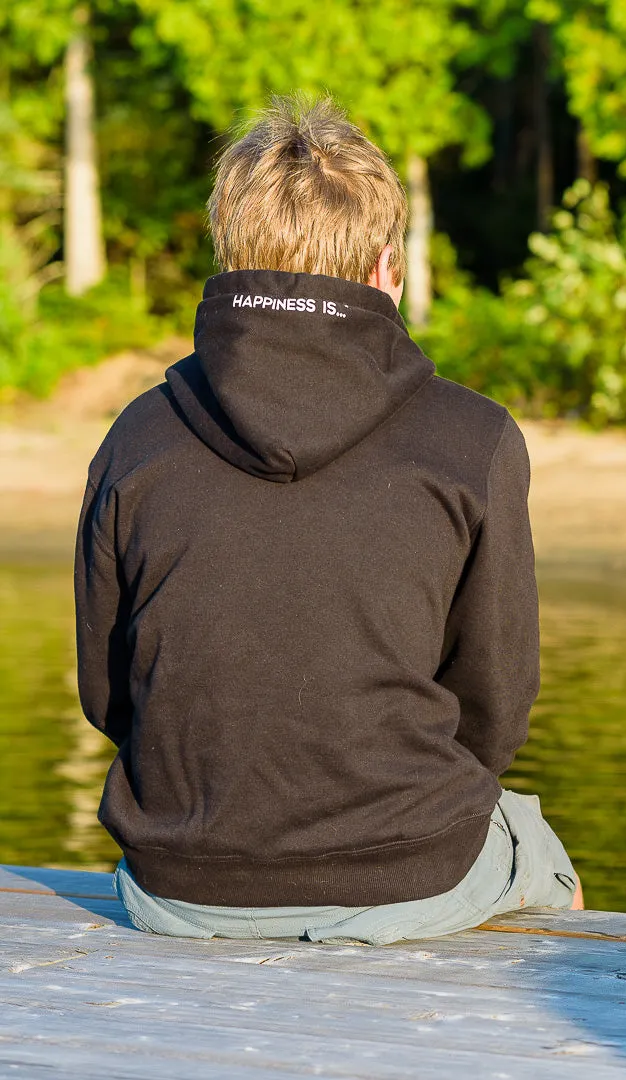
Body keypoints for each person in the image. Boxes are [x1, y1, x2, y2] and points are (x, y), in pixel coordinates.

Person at [74, 94, 582, 945]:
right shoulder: (474, 437)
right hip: (411, 869)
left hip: (178, 881)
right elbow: (495, 711)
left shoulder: (140, 435)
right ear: (388, 268)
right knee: (550, 868)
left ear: (229, 257)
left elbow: (109, 692)